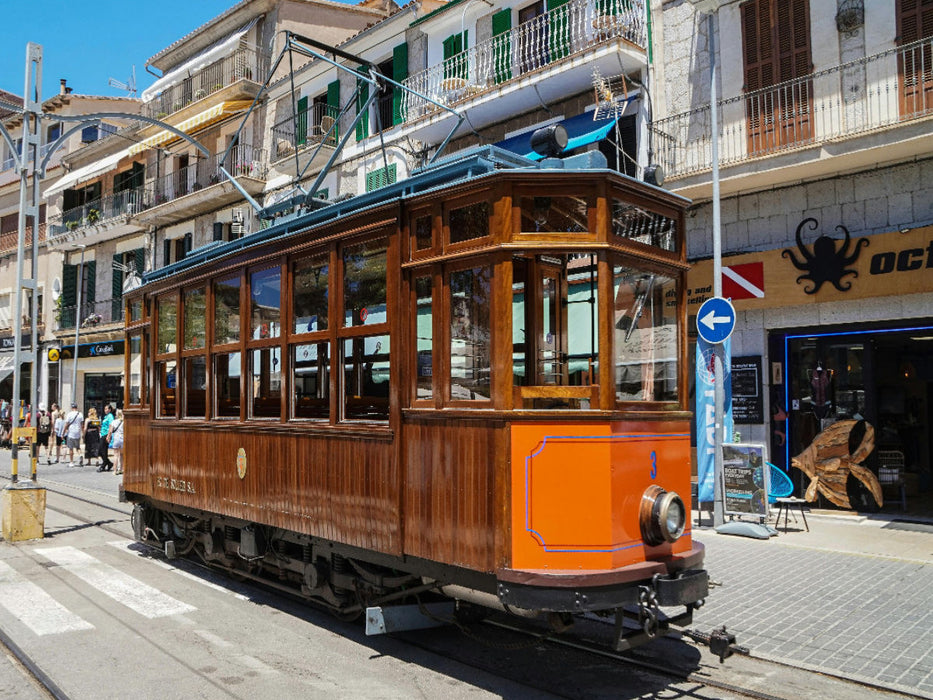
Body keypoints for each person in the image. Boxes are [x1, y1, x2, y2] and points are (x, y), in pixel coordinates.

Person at [63, 402, 84, 467]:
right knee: (78, 446)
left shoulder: (69, 414)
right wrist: (82, 432)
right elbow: (82, 424)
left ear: (72, 407)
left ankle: (71, 462)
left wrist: (63, 432)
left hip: (71, 432)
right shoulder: (80, 414)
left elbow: (66, 424)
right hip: (77, 432)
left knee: (71, 448)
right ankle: (80, 455)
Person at [98, 404, 114, 471]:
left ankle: (104, 464)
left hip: (106, 435)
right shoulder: (106, 416)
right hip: (102, 434)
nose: (105, 410)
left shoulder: (110, 416)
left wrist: (109, 436)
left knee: (102, 450)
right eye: (105, 409)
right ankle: (108, 463)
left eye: (107, 409)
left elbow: (111, 425)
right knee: (101, 451)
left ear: (110, 410)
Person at [108, 409, 125, 475]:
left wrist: (108, 437)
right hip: (123, 438)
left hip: (116, 438)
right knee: (122, 455)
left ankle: (115, 470)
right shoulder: (124, 422)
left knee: (116, 455)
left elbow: (110, 431)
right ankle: (121, 469)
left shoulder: (114, 422)